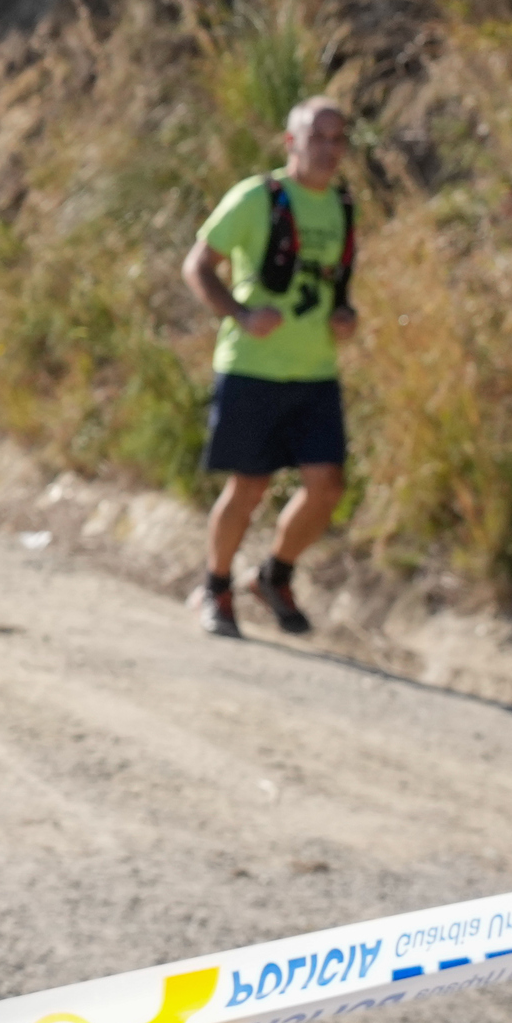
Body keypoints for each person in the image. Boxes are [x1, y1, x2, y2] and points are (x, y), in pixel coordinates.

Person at [178, 96, 360, 639]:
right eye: (317, 136)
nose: (328, 149)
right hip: (252, 368)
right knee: (250, 485)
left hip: (315, 371)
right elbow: (198, 265)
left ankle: (273, 576)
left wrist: (345, 315)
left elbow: (334, 283)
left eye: (337, 139)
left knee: (327, 486)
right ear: (291, 142)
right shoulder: (256, 197)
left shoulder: (342, 205)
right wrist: (240, 314)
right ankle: (216, 587)